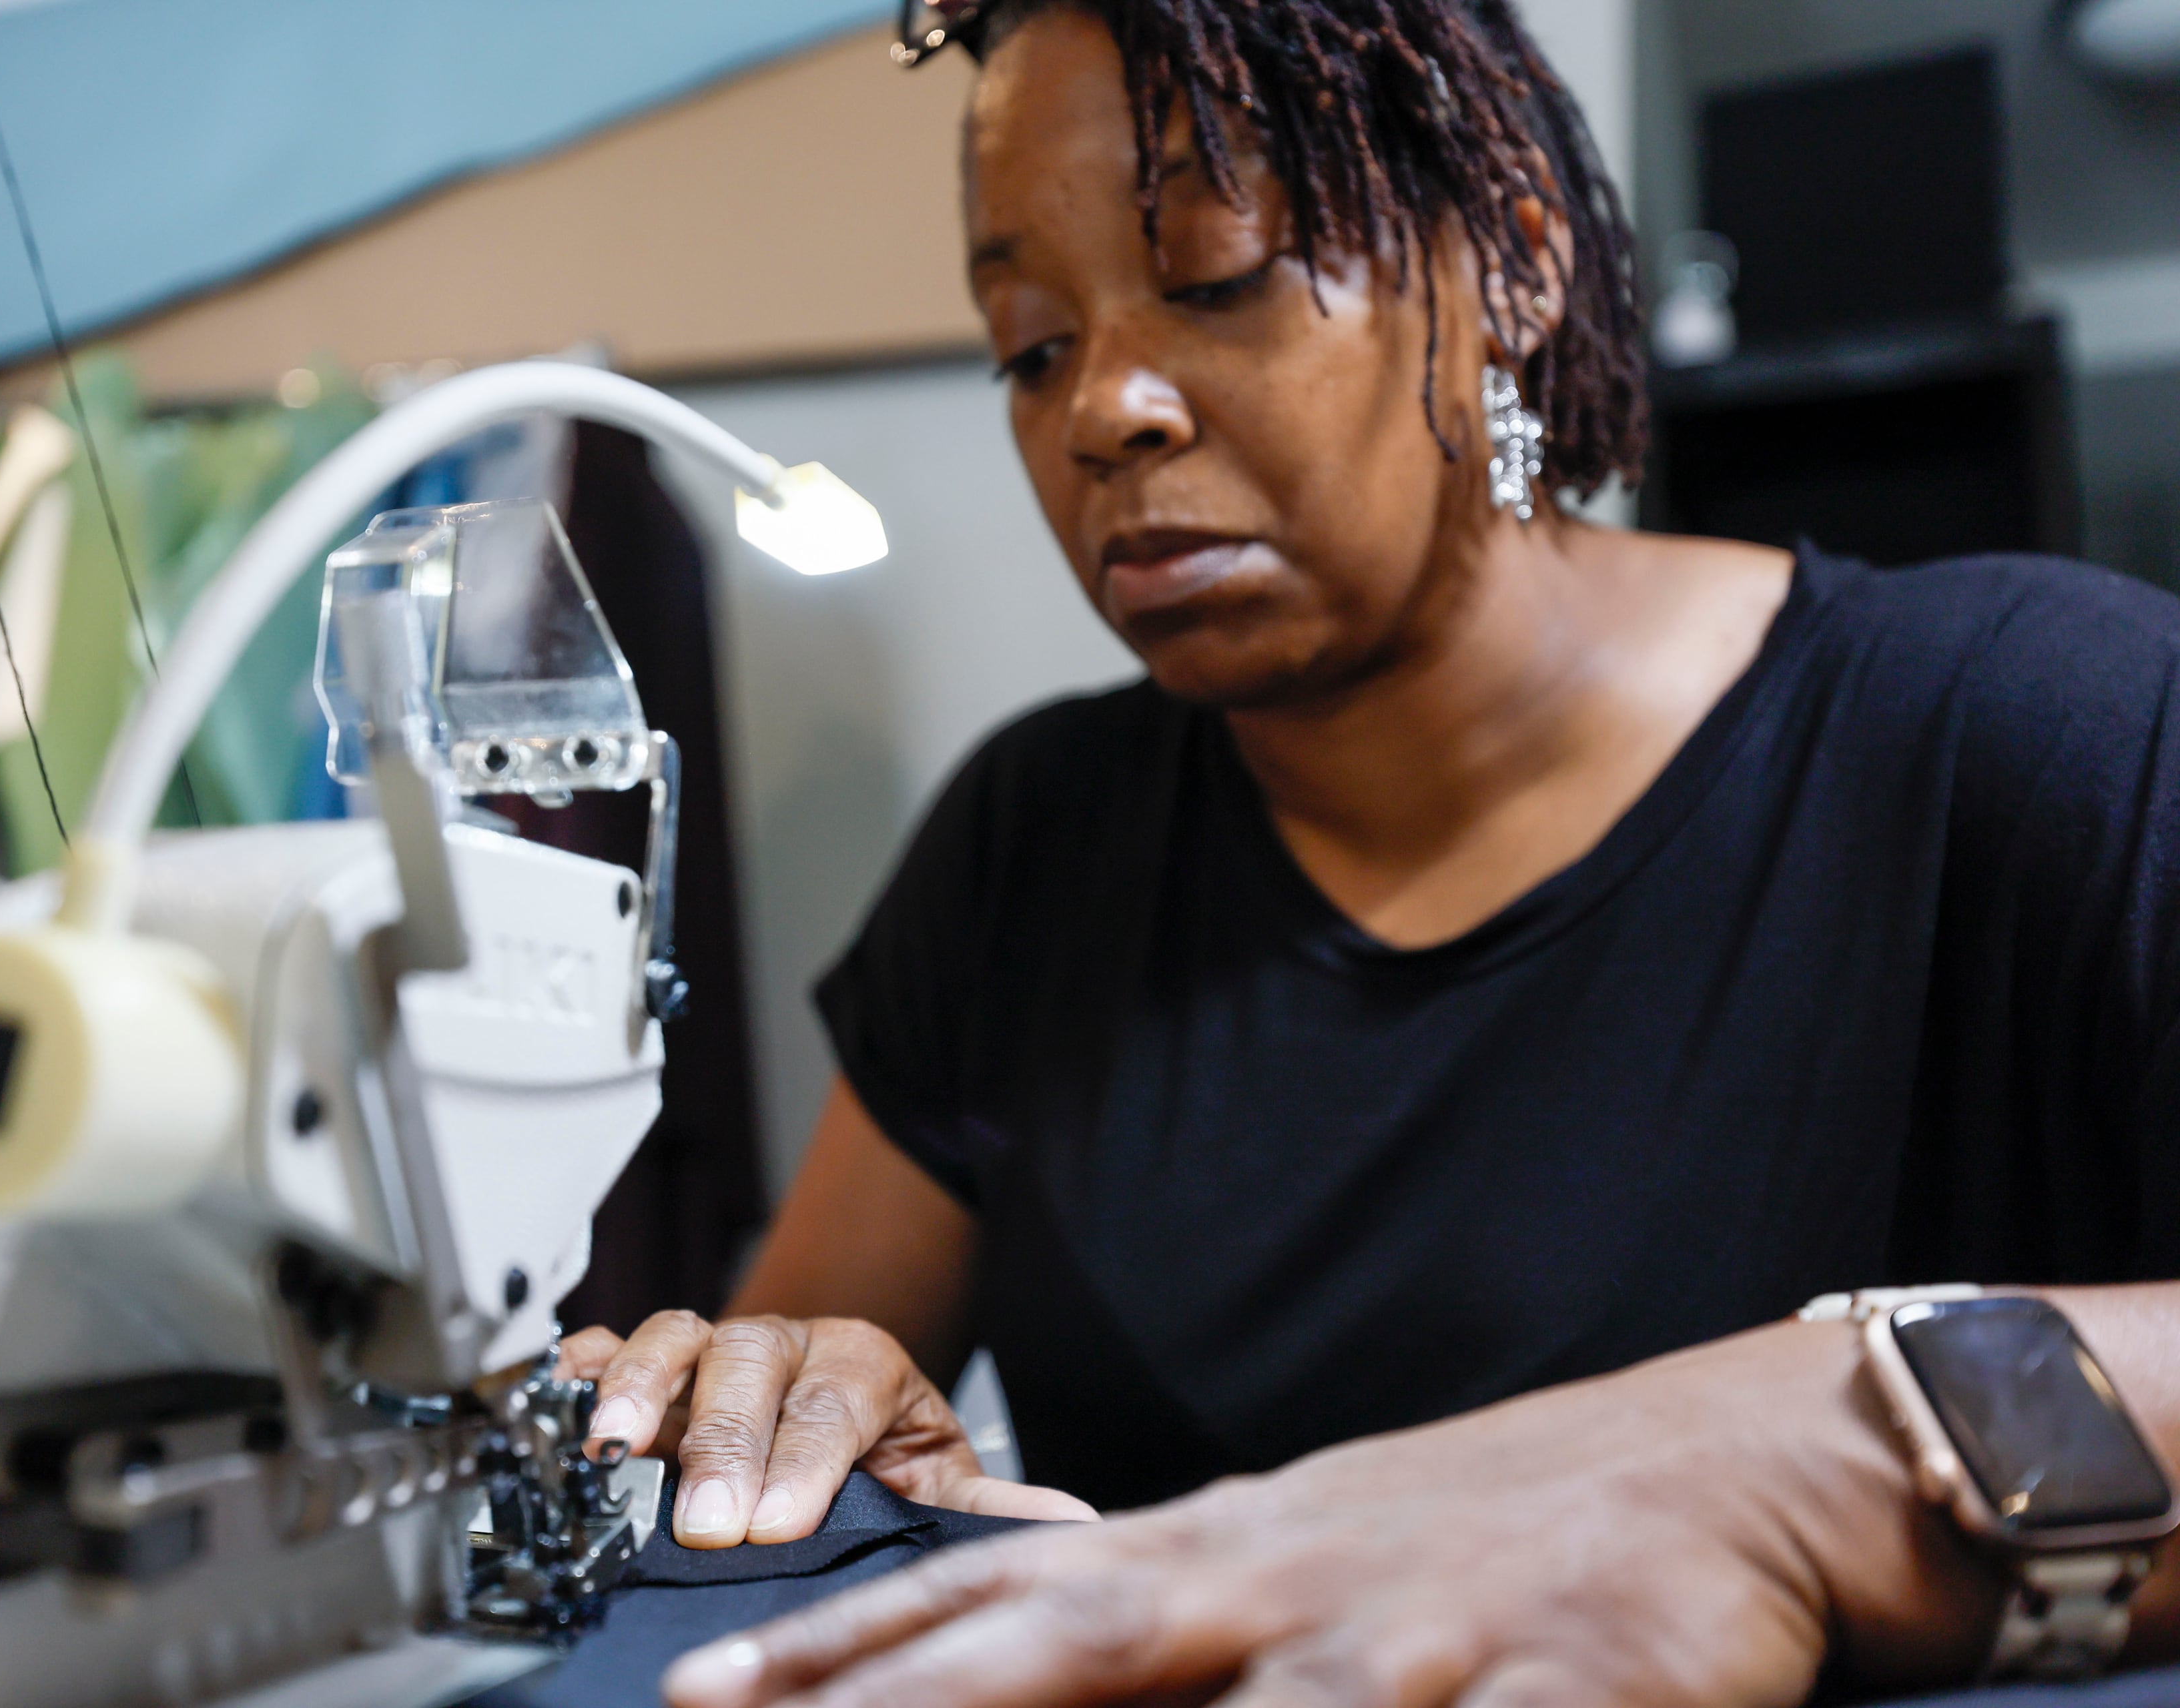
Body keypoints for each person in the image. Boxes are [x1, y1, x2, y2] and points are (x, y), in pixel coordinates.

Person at [554, 0, 2180, 1700]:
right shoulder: (1025, 852)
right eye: (1030, 342)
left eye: (1217, 275)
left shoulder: (2047, 730)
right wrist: (823, 1445)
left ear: (1520, 268)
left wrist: (1765, 1456)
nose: (1104, 406)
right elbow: (800, 1380)